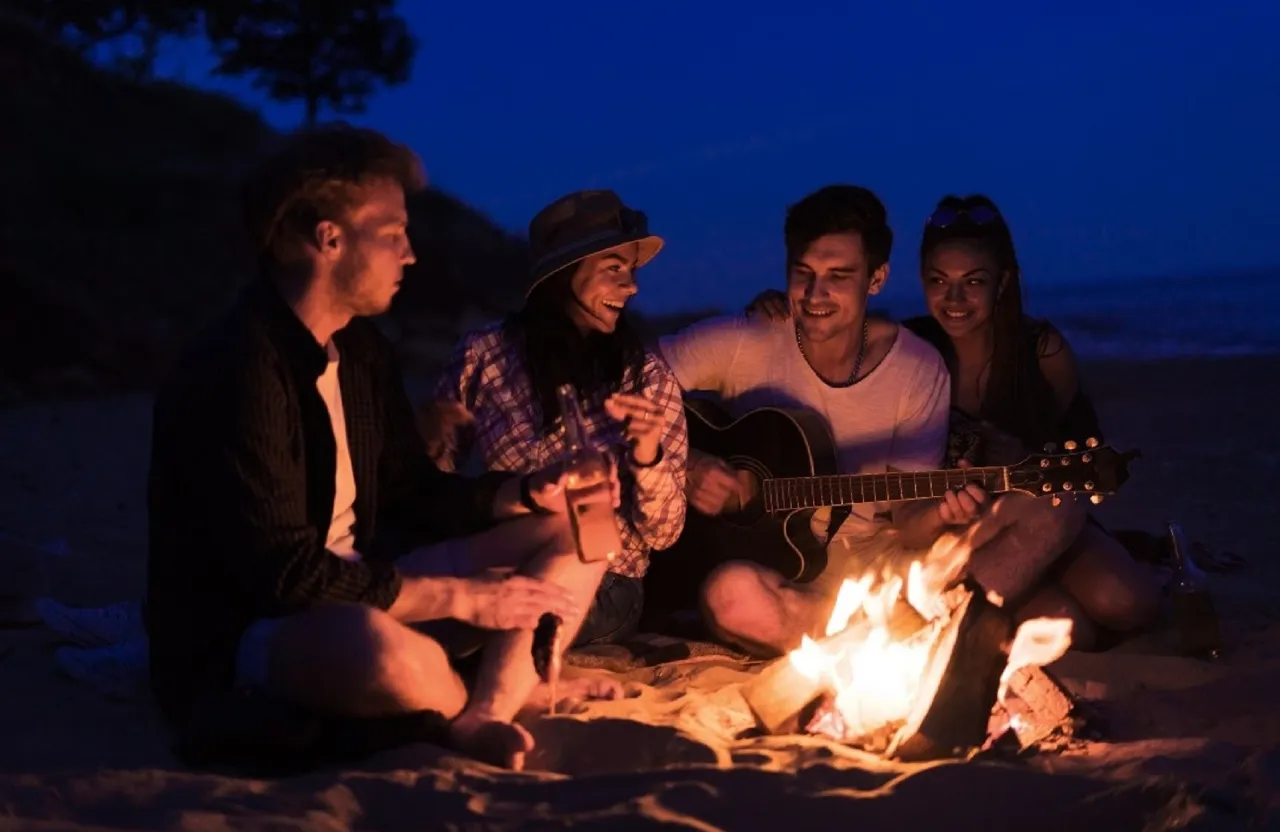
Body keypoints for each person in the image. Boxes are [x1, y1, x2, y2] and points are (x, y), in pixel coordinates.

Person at [144, 123, 623, 771]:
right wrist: (461, 599)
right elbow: (287, 577)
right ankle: (468, 706)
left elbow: (412, 492)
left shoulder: (361, 349)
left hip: (379, 579)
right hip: (265, 629)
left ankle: (488, 707)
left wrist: (522, 492)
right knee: (374, 648)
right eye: (393, 234)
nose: (410, 254)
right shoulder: (241, 368)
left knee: (583, 522)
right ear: (328, 240)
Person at [651, 184, 1098, 658]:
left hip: (879, 559)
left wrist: (942, 513)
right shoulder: (745, 339)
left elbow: (907, 526)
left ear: (877, 277)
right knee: (730, 597)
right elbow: (621, 384)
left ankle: (888, 637)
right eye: (803, 273)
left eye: (839, 276)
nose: (815, 294)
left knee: (1058, 506)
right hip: (775, 569)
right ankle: (918, 638)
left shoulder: (916, 367)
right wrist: (692, 462)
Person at [743, 194, 1160, 649]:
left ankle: (1149, 560)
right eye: (938, 281)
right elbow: (830, 332)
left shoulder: (1041, 352)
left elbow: (1077, 461)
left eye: (973, 282)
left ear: (1001, 283)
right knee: (1066, 625)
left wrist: (1021, 456)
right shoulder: (910, 349)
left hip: (1032, 513)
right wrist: (774, 307)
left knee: (1124, 602)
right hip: (947, 532)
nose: (954, 298)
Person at [420, 189, 687, 646]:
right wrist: (424, 439)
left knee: (505, 624)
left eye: (632, 270)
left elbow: (662, 535)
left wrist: (648, 455)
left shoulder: (644, 378)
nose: (632, 286)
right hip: (510, 556)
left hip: (607, 581)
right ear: (565, 274)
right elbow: (434, 482)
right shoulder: (485, 356)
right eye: (614, 269)